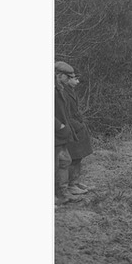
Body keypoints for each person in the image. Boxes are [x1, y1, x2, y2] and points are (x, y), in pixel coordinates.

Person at [54, 61, 83, 205]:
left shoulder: (59, 88)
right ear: (59, 75)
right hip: (56, 133)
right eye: (68, 76)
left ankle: (63, 193)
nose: (71, 79)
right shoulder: (54, 89)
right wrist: (60, 126)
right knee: (58, 163)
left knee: (64, 161)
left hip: (61, 134)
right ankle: (60, 195)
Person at [64, 66, 94, 195]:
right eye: (75, 79)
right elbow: (64, 114)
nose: (77, 82)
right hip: (70, 129)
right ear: (66, 79)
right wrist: (78, 125)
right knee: (73, 157)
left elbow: (75, 111)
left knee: (78, 156)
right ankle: (70, 185)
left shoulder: (69, 91)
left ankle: (75, 182)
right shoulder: (62, 93)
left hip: (76, 127)